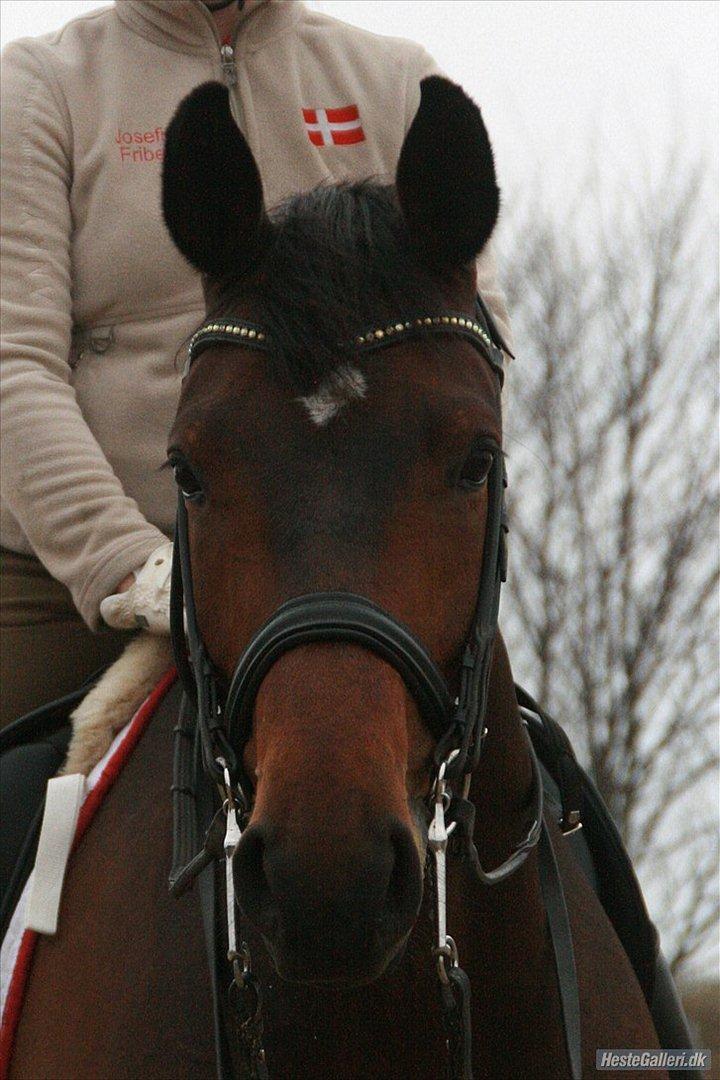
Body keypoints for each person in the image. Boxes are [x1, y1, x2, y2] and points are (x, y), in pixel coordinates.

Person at [0, 0, 512, 726]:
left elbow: (471, 357)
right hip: (67, 587)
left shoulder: (394, 82)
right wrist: (129, 566)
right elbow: (13, 367)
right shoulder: (40, 86)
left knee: (538, 806)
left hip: (354, 579)